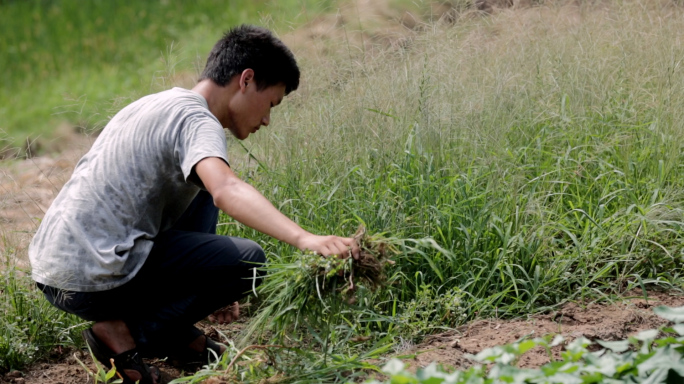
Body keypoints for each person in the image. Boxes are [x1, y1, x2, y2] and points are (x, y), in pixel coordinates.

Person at [28, 25, 360, 384]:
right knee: (249, 261)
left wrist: (208, 276)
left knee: (201, 185)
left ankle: (178, 335)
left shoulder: (159, 103)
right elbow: (227, 190)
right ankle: (127, 338)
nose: (267, 119)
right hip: (93, 273)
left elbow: (207, 193)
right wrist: (305, 238)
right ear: (246, 80)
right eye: (271, 104)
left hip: (60, 267)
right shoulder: (197, 120)